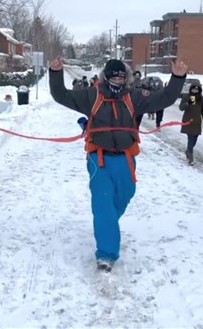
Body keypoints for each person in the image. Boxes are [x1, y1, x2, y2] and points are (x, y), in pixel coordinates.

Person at [49, 57, 188, 272]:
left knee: (125, 194)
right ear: (106, 76)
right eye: (113, 76)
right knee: (103, 204)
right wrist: (55, 73)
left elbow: (165, 99)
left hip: (125, 157)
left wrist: (178, 77)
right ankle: (106, 253)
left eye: (121, 76)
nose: (117, 79)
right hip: (99, 158)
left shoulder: (134, 96)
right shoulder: (91, 95)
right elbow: (61, 95)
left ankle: (107, 225)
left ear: (126, 78)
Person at [179, 82, 203, 165]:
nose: (195, 90)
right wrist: (187, 103)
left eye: (196, 89)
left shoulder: (201, 99)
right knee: (190, 138)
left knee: (194, 139)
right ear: (191, 89)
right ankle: (190, 156)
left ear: (199, 90)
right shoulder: (186, 96)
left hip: (197, 122)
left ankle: (188, 150)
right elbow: (181, 108)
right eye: (193, 89)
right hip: (188, 121)